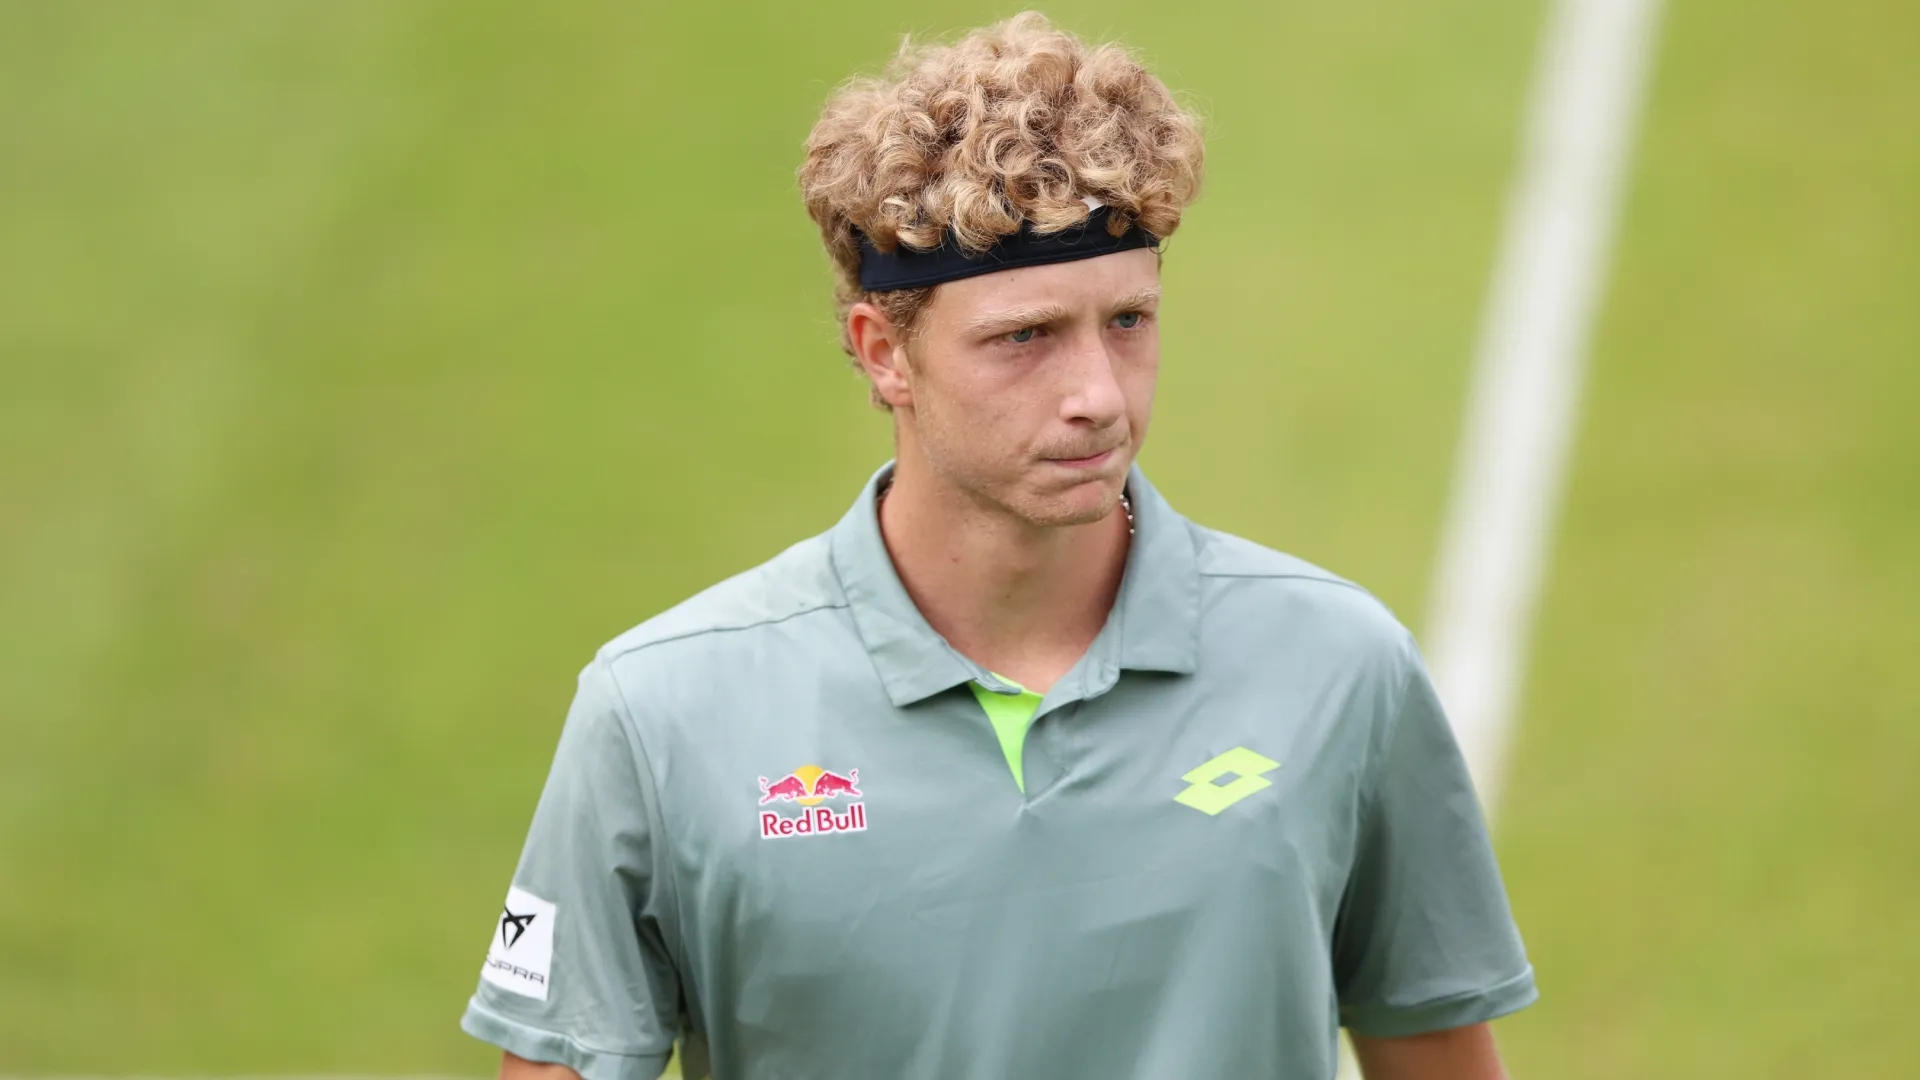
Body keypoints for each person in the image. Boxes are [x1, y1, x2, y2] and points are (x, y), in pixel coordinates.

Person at [460, 12, 1536, 1079]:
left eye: (1128, 323)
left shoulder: (1342, 667)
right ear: (884, 353)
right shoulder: (659, 717)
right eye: (1024, 338)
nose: (1097, 398)